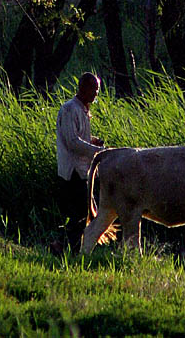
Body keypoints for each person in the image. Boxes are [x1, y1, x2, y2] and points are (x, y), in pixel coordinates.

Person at [55, 72, 105, 253]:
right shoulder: (69, 109)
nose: (96, 94)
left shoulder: (82, 110)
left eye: (97, 90)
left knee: (82, 214)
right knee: (80, 214)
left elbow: (79, 138)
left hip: (82, 171)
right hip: (71, 172)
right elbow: (72, 142)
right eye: (94, 89)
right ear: (82, 87)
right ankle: (65, 248)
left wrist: (92, 141)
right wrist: (98, 152)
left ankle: (67, 248)